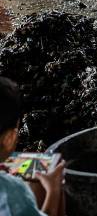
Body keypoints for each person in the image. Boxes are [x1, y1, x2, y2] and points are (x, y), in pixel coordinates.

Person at [0, 78, 64, 216]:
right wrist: (53, 189)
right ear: (9, 138)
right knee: (48, 172)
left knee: (30, 166)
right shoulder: (12, 191)